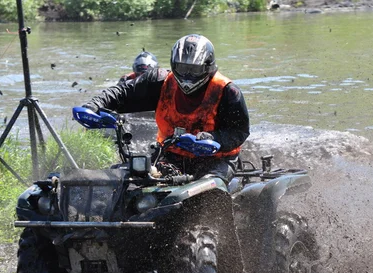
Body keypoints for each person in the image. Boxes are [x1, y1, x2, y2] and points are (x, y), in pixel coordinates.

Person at [82, 34, 250, 183]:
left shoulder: (227, 91)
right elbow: (123, 92)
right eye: (183, 69)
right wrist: (95, 105)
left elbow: (239, 132)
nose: (187, 76)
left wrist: (213, 139)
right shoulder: (159, 81)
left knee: (207, 191)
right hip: (170, 156)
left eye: (194, 70)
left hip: (216, 160)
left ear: (208, 67)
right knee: (129, 179)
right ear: (173, 65)